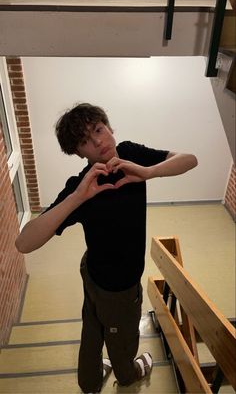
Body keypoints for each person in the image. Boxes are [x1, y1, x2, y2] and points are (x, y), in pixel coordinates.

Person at [16, 102, 198, 393]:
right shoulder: (81, 186)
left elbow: (189, 159)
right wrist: (77, 198)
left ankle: (89, 381)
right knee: (120, 336)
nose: (98, 141)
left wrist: (148, 172)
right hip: (118, 287)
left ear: (109, 128)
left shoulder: (130, 153)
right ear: (78, 153)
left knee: (92, 328)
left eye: (99, 130)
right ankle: (127, 373)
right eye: (85, 141)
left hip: (93, 270)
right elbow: (24, 242)